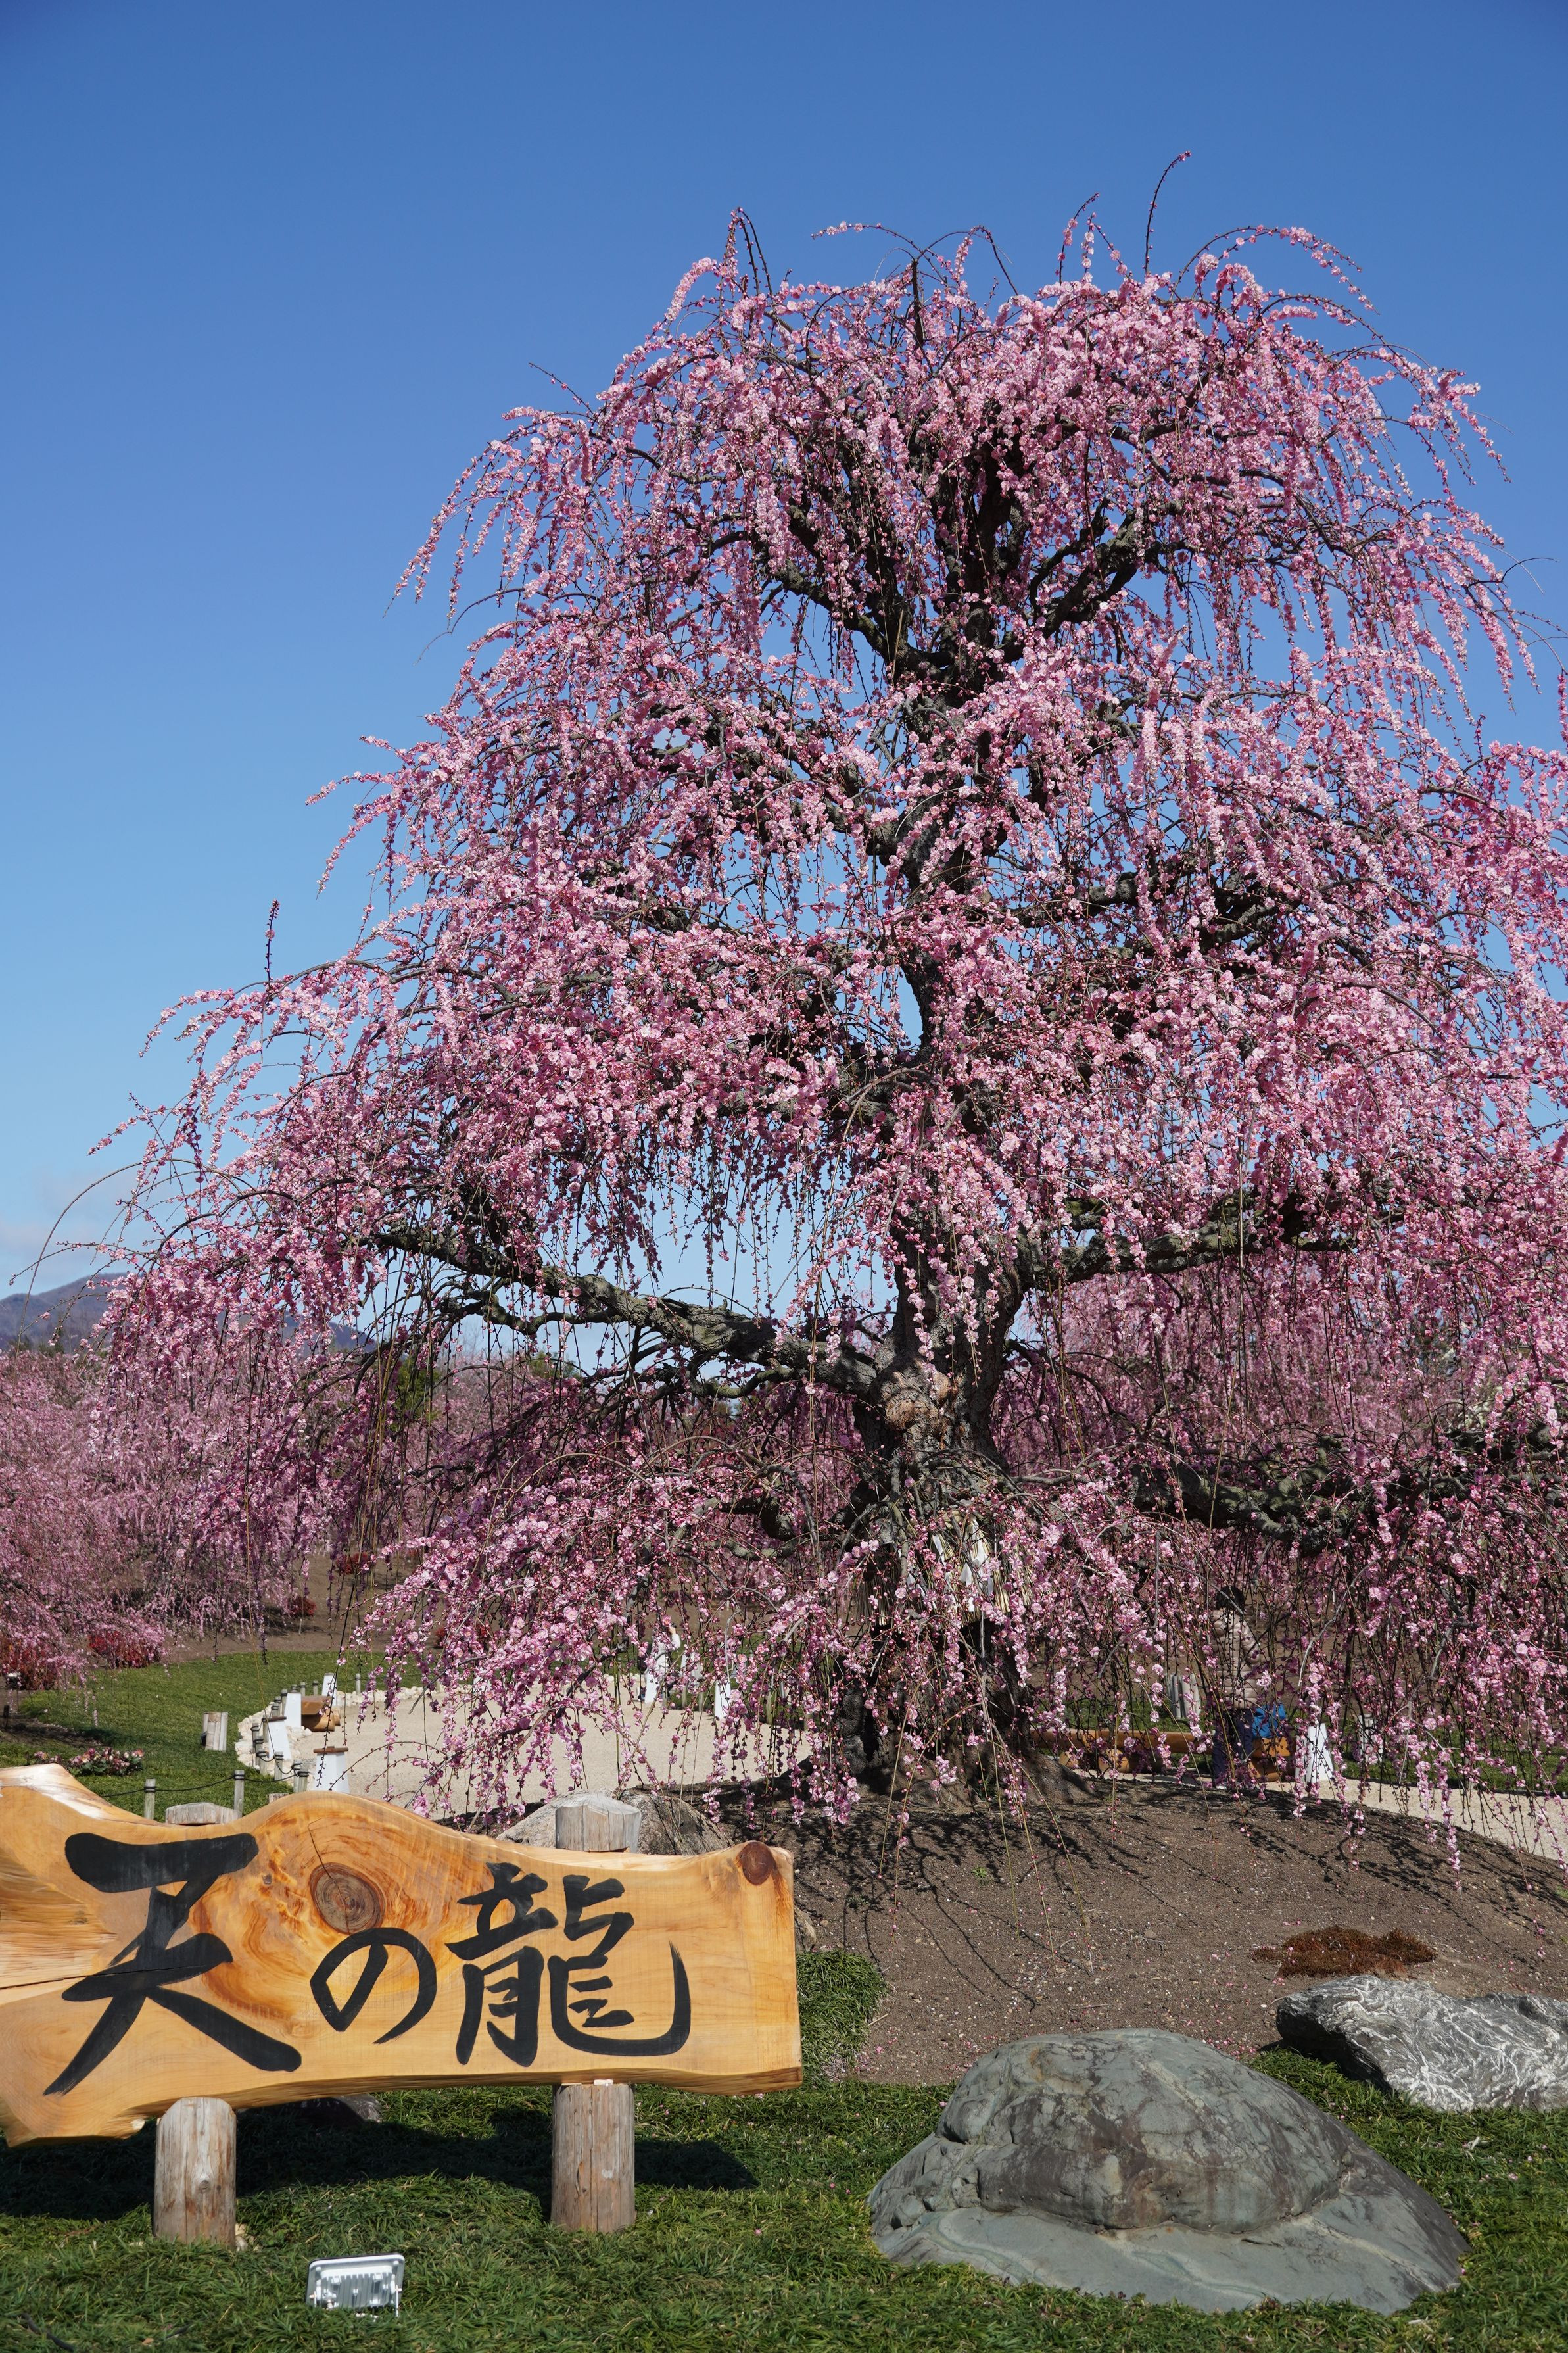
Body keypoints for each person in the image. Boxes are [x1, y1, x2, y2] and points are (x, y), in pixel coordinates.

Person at [1206, 1588, 1282, 1785]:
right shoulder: (1240, 1625)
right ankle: (1241, 1778)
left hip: (1220, 1690)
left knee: (1221, 1736)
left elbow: (1203, 1653)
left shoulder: (1208, 1626)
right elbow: (1254, 1656)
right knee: (1243, 1736)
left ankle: (1220, 1779)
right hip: (1242, 1690)